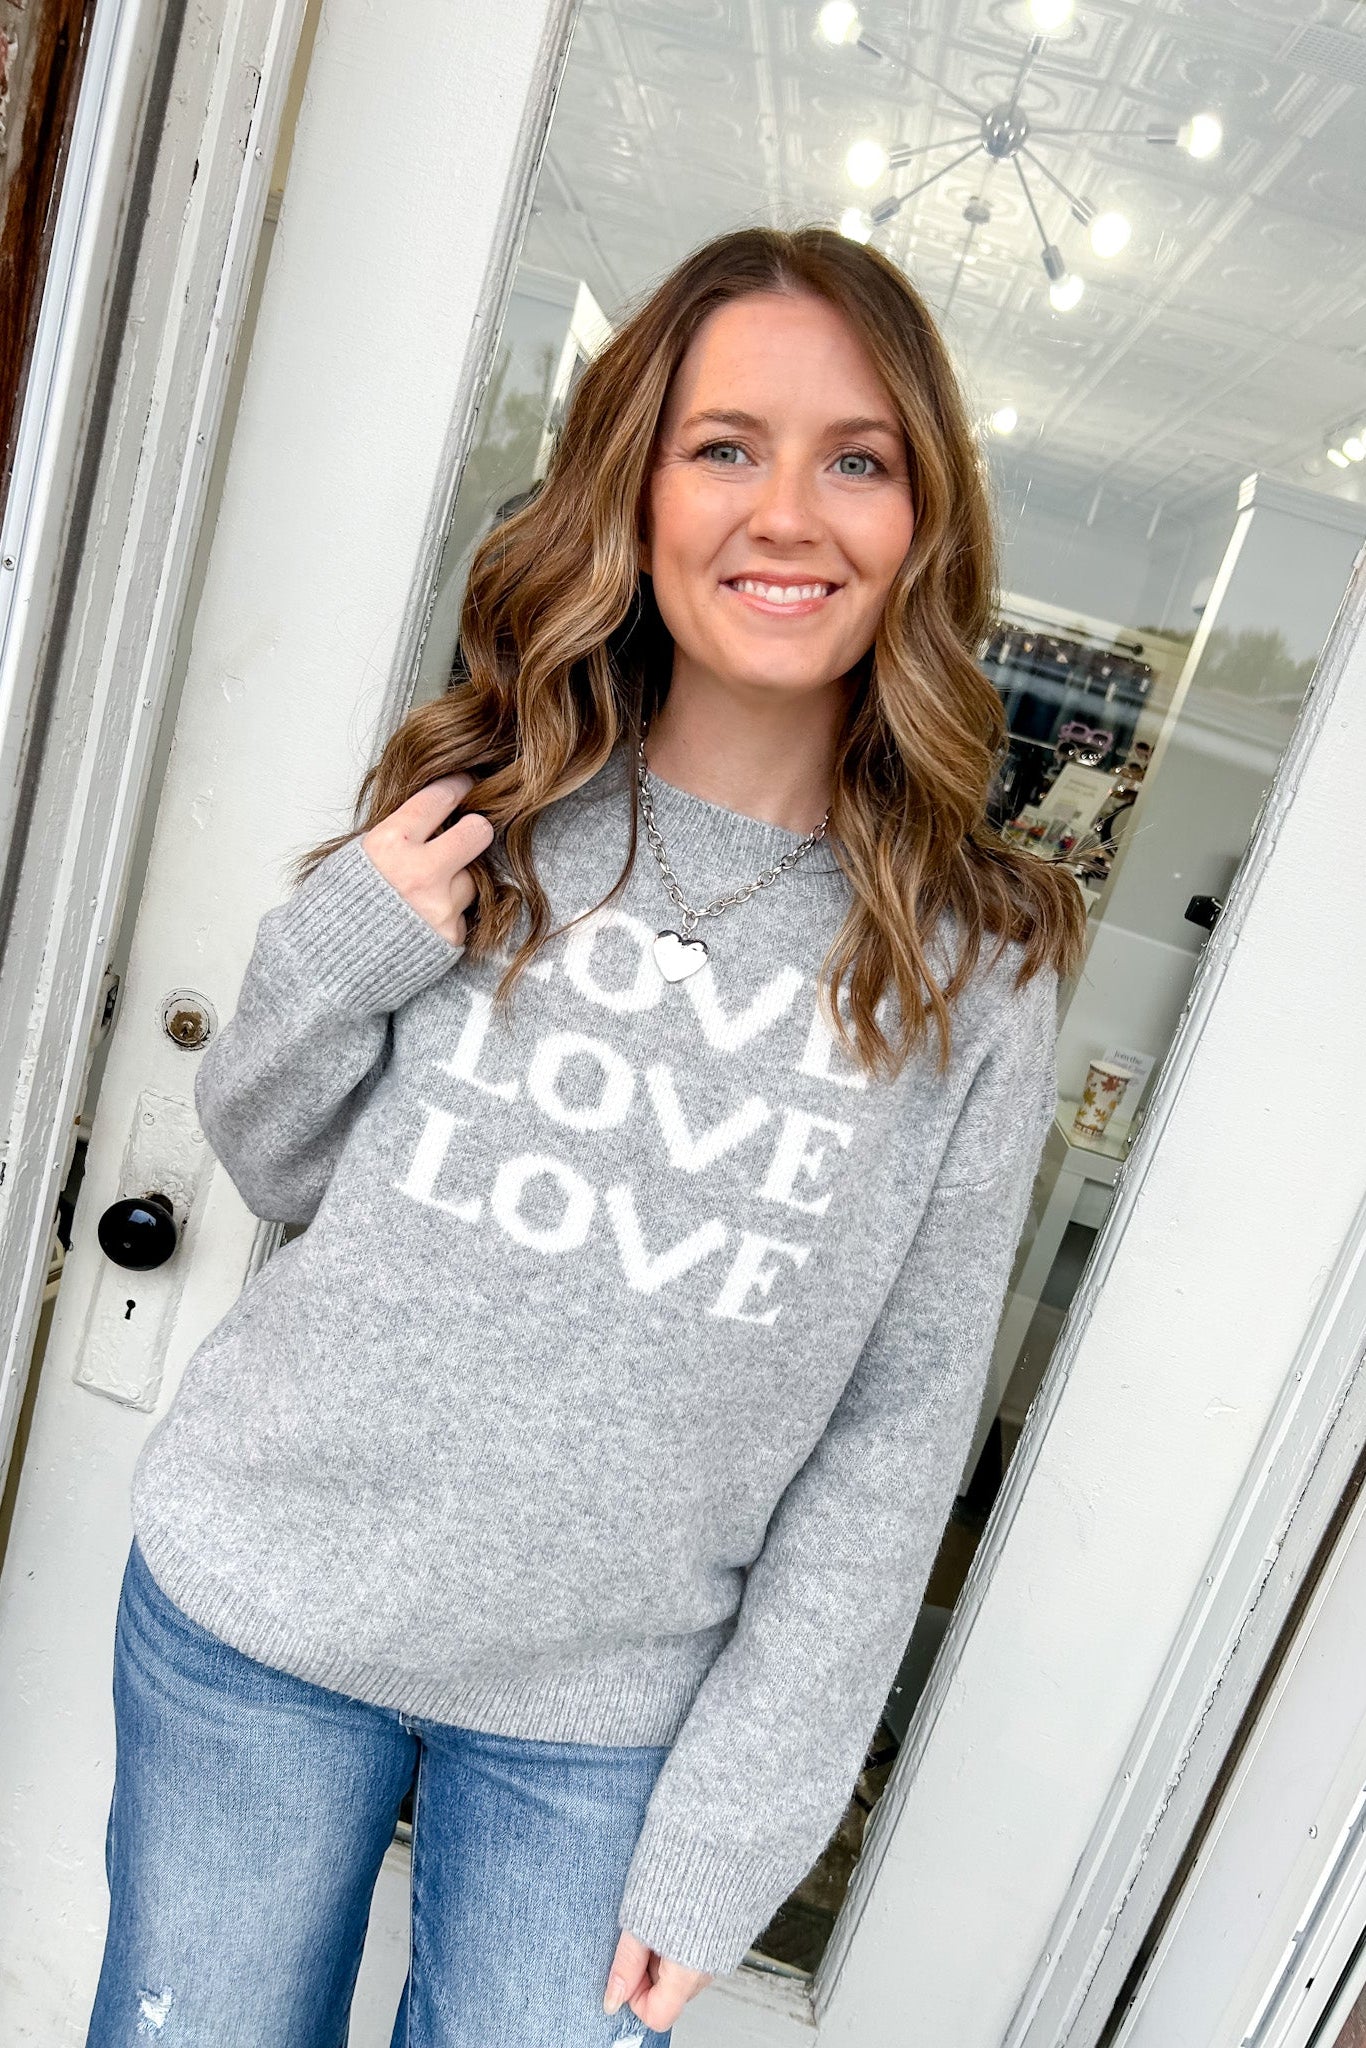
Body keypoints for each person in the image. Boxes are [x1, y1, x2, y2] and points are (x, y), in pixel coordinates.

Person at [86, 224, 1086, 2047]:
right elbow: (284, 1157)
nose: (786, 511)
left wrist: (737, 1833)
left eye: (854, 458)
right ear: (634, 487)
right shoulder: (495, 803)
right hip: (261, 1623)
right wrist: (347, 936)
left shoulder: (973, 968)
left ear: (919, 520)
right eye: (725, 447)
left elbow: (892, 1439)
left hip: (605, 1729)